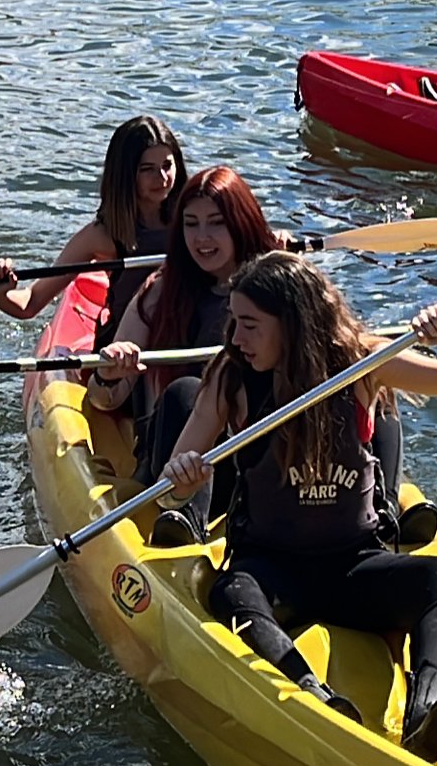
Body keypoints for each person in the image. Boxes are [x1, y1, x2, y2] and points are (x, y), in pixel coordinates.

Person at [159, 253, 437, 760]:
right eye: (234, 322)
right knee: (231, 591)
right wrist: (183, 482)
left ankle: (428, 711)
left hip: (353, 566)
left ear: (292, 323)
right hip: (273, 571)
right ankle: (312, 696)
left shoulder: (363, 363)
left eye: (250, 325)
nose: (236, 338)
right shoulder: (230, 380)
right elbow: (170, 491)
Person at [85, 163, 287, 539]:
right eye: (191, 224)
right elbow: (103, 400)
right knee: (188, 390)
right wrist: (107, 372)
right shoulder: (161, 290)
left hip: (255, 453)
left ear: (242, 223)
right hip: (174, 466)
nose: (202, 238)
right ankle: (185, 522)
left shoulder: (275, 287)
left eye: (216, 223)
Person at [0, 114, 187, 331]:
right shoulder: (101, 236)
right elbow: (29, 303)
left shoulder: (194, 220)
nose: (162, 178)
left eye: (167, 165)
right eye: (147, 169)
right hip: (126, 348)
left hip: (186, 335)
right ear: (125, 174)